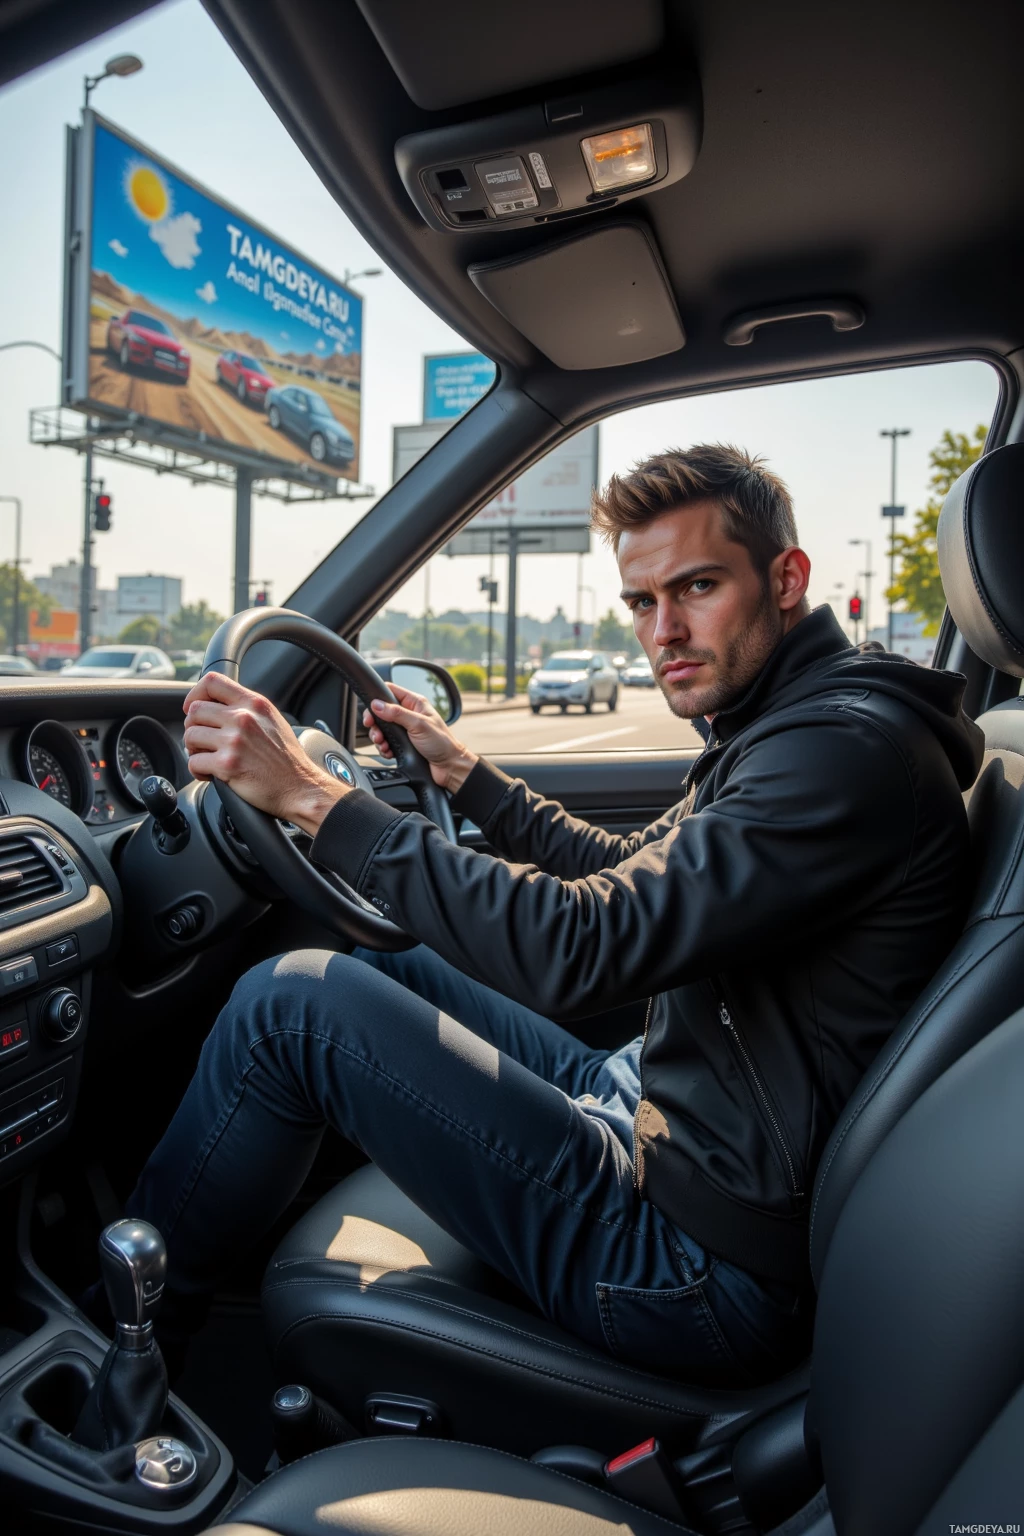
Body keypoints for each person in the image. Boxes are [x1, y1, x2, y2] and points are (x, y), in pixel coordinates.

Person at [125, 444, 982, 1385]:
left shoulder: (837, 755)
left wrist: (314, 798)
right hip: (670, 1116)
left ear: (786, 579)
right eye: (642, 603)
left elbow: (582, 946)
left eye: (697, 587)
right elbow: (624, 871)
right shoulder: (793, 723)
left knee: (289, 1007)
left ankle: (128, 1350)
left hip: (700, 1265)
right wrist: (465, 775)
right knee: (387, 957)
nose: (666, 630)